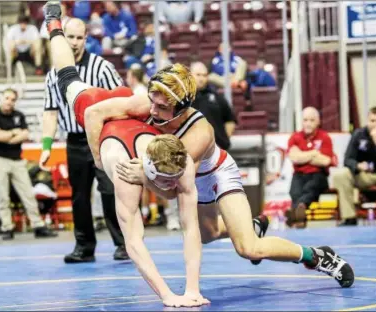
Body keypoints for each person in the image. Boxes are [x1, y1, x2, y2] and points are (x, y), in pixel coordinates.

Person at [44, 0, 353, 294]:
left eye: (161, 108)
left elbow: (172, 184)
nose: (152, 111)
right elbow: (95, 113)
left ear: (180, 108)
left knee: (248, 248)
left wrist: (143, 173)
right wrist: (100, 160)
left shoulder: (199, 132)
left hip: (215, 174)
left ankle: (317, 257)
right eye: (152, 101)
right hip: (184, 172)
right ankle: (250, 225)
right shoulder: (147, 102)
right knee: (208, 234)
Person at [43, 4, 211, 307]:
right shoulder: (126, 171)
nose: (169, 190)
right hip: (100, 111)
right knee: (67, 76)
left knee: (183, 198)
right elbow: (134, 242)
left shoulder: (178, 159)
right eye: (164, 184)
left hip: (126, 105)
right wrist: (168, 295)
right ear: (148, 173)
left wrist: (192, 288)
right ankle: (54, 24)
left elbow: (191, 229)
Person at [40, 17, 128, 262]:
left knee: (110, 191)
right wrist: (46, 146)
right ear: (62, 38)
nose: (75, 42)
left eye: (80, 38)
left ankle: (123, 243)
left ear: (86, 39)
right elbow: (50, 112)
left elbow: (122, 98)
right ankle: (84, 247)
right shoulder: (53, 76)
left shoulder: (101, 67)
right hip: (75, 141)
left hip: (104, 137)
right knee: (79, 195)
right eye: (70, 37)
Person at [0, 88, 57, 240]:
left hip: (18, 161)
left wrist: (7, 135)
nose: (9, 102)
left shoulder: (19, 116)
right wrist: (14, 133)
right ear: (1, 98)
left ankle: (38, 225)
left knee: (28, 194)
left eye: (12, 99)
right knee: (2, 196)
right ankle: (7, 227)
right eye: (7, 98)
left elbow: (25, 134)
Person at [332, 106, 376, 226]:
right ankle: (349, 217)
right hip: (363, 175)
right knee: (341, 175)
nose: (375, 124)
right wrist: (358, 166)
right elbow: (347, 159)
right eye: (372, 121)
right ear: (367, 121)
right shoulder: (358, 134)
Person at [286, 107, 333, 228]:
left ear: (318, 121)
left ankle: (296, 214)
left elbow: (325, 161)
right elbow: (294, 158)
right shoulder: (294, 137)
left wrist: (302, 155)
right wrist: (314, 153)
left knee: (310, 188)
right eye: (305, 120)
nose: (308, 123)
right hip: (299, 175)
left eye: (312, 120)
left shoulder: (325, 137)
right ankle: (300, 217)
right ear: (301, 121)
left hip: (318, 175)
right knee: (294, 191)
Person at [191, 61, 236, 151]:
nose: (201, 78)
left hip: (218, 149)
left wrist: (223, 139)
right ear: (190, 75)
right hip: (192, 149)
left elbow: (230, 120)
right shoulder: (184, 98)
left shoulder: (216, 97)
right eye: (198, 75)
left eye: (204, 75)